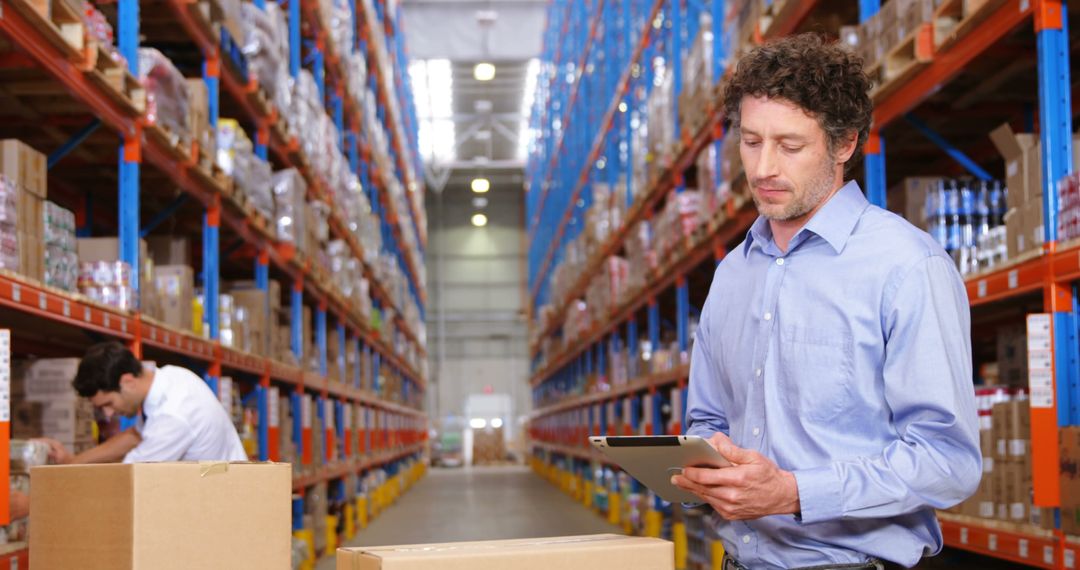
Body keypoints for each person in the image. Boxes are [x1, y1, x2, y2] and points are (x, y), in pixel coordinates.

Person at [671, 33, 981, 569]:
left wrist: (794, 492)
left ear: (844, 145)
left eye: (790, 146)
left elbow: (946, 461)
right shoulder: (731, 274)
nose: (764, 167)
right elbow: (708, 418)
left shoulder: (905, 266)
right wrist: (705, 465)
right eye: (750, 141)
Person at [44, 341, 247, 464]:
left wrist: (32, 502)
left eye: (109, 403)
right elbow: (135, 436)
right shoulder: (171, 377)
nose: (107, 414)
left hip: (222, 507)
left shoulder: (172, 415)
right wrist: (73, 462)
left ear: (128, 382)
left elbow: (130, 478)